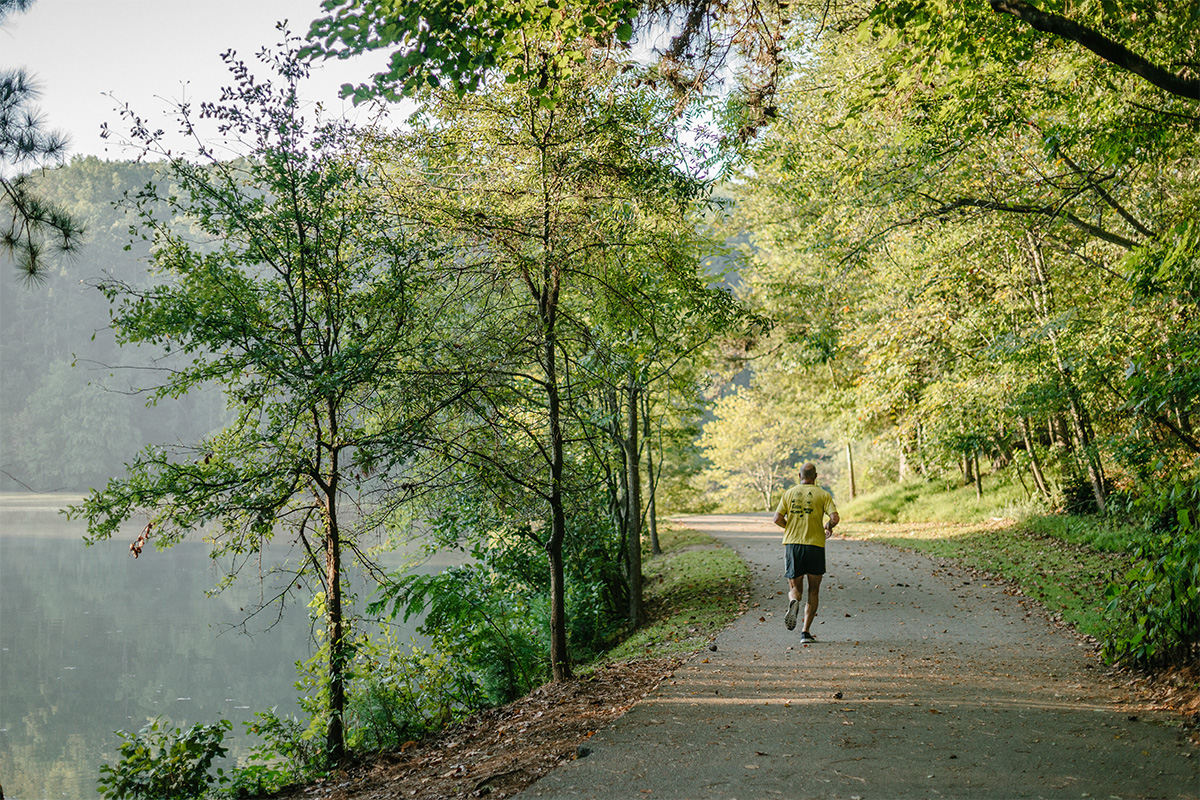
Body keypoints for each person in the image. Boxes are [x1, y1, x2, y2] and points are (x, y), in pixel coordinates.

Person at [773, 462, 839, 642]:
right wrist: (828, 526)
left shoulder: (789, 493)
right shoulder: (823, 494)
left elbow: (777, 518)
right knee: (814, 591)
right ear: (815, 476)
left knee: (795, 588)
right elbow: (835, 518)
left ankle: (793, 601)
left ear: (799, 476)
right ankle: (805, 632)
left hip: (793, 545)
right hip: (815, 546)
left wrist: (789, 527)